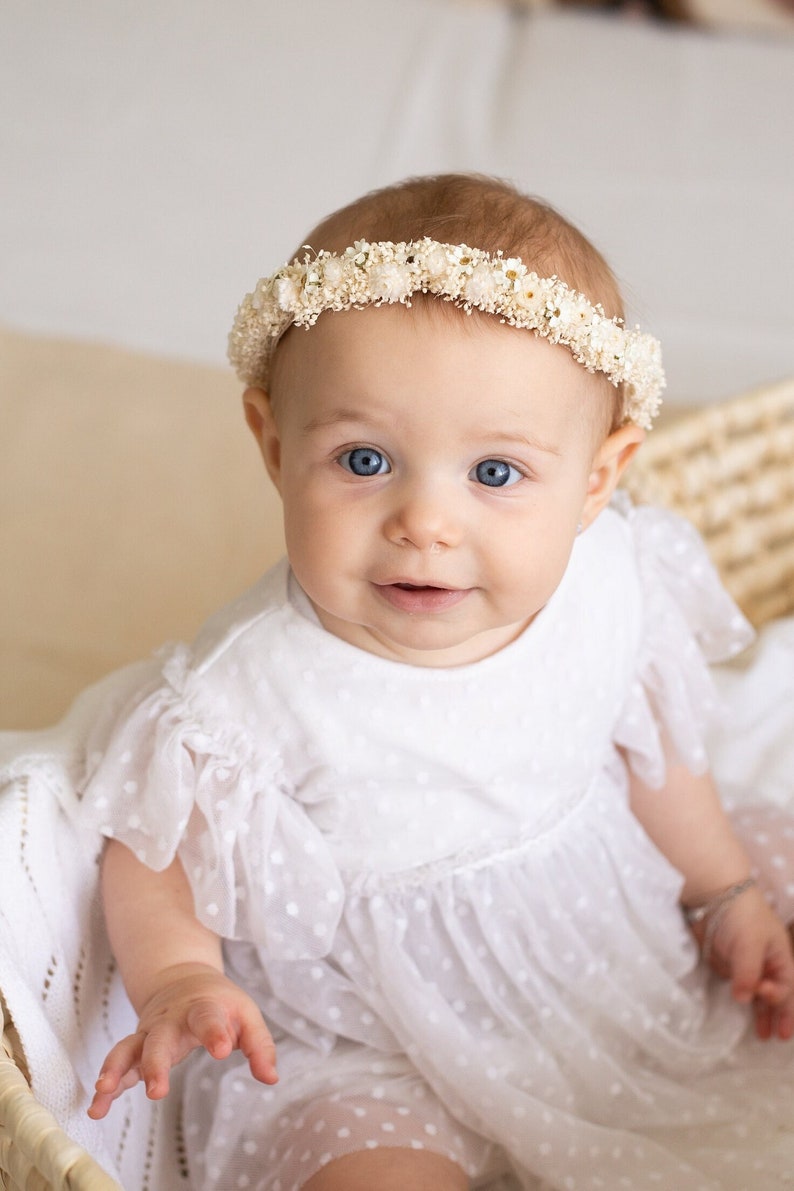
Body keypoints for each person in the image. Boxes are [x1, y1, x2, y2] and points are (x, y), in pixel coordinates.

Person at [81, 174, 794, 1190]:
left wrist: (720, 890)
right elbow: (147, 850)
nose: (425, 521)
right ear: (274, 444)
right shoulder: (246, 689)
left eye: (494, 474)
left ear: (597, 478)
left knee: (769, 875)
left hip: (615, 948)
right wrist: (179, 976)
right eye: (363, 459)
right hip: (368, 1037)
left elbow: (653, 756)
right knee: (359, 1166)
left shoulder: (605, 585)